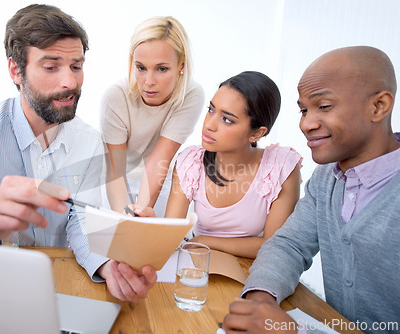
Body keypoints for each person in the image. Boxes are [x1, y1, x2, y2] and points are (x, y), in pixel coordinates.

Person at [0, 4, 156, 303]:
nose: (70, 82)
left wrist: (108, 265)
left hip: (56, 286)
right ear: (16, 70)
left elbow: (80, 220)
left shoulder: (89, 141)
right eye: (51, 66)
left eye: (76, 66)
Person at [222, 46, 400, 334]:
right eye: (304, 110)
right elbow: (288, 245)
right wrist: (261, 300)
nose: (306, 123)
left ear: (378, 106)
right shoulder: (325, 179)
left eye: (324, 107)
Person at [136, 72, 302, 259]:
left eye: (227, 119)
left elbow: (273, 245)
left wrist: (205, 241)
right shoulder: (191, 162)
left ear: (256, 134)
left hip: (253, 269)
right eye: (211, 110)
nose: (209, 125)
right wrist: (153, 227)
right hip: (199, 261)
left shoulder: (280, 167)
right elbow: (170, 235)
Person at [100, 16, 204, 216]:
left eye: (162, 69)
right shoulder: (116, 96)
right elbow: (115, 168)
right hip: (117, 182)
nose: (148, 81)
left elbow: (159, 160)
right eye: (141, 68)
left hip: (159, 183)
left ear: (182, 65)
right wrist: (126, 218)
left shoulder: (191, 95)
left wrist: (140, 211)